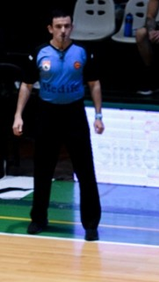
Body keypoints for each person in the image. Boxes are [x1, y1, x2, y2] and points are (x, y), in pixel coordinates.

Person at [12, 8, 103, 241]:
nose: (63, 30)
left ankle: (91, 224)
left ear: (72, 27)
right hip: (47, 113)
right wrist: (18, 115)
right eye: (59, 26)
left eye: (67, 26)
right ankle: (38, 219)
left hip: (74, 113)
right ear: (50, 29)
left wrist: (98, 115)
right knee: (43, 169)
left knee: (85, 170)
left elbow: (94, 84)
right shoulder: (39, 53)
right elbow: (26, 86)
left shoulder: (82, 52)